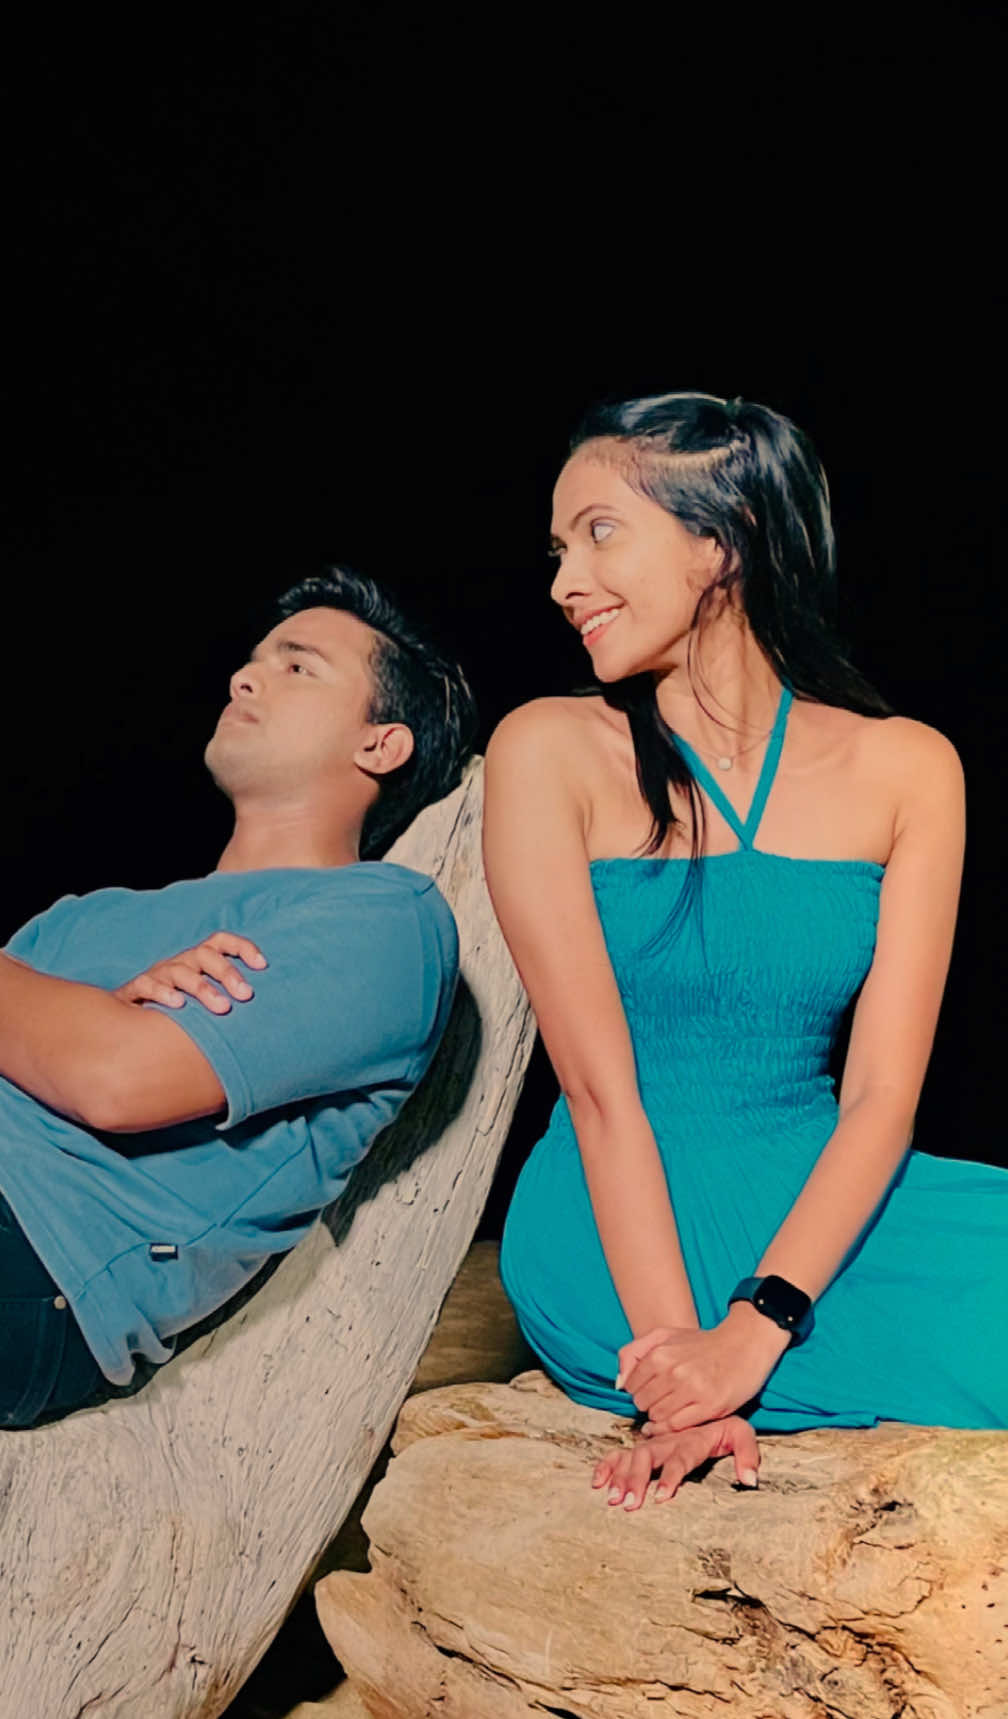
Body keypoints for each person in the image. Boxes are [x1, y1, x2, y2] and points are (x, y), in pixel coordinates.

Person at [483, 392, 1007, 1511]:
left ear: (721, 543)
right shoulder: (547, 749)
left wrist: (757, 1327)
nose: (566, 580)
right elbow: (599, 1094)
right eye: (559, 548)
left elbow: (881, 1099)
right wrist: (684, 1365)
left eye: (600, 533)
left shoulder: (911, 768)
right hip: (618, 1227)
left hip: (827, 1209)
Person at [0, 566, 477, 1429]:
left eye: (297, 665)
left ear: (381, 745)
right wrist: (3, 982)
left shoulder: (382, 919)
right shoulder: (90, 914)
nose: (246, 677)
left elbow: (112, 1081)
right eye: (253, 661)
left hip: (34, 1243)